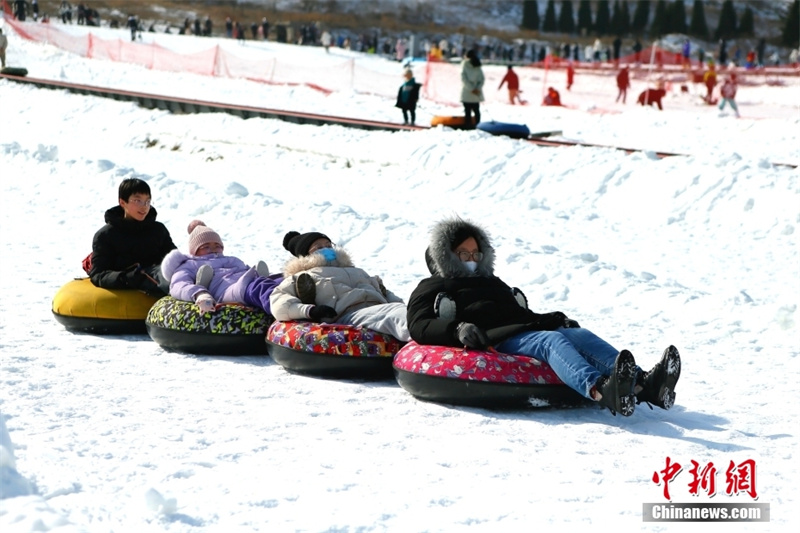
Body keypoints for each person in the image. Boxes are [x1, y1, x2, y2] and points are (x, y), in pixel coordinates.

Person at [406, 216, 682, 416]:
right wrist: (456, 329)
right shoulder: (433, 286)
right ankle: (599, 389)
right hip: (491, 338)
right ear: (447, 256)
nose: (471, 258)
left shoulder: (493, 282)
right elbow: (419, 325)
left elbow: (520, 315)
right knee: (550, 342)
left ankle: (644, 384)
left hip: (518, 330)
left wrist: (554, 319)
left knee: (577, 335)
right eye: (463, 253)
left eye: (475, 253)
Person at [269, 230, 410, 342]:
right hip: (348, 314)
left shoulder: (357, 271)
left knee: (402, 310)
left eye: (328, 245)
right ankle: (424, 336)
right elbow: (279, 303)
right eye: (318, 247)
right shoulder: (303, 276)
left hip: (379, 307)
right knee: (393, 314)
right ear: (305, 255)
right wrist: (310, 311)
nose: (326, 249)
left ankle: (421, 326)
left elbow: (389, 296)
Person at [160, 221, 283, 315]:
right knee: (257, 287)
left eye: (217, 245)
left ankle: (289, 289)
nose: (213, 249)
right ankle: (283, 307)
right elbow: (179, 285)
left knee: (281, 280)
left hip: (246, 280)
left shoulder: (232, 259)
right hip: (228, 289)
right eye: (206, 246)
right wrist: (200, 293)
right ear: (194, 251)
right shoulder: (190, 264)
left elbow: (245, 270)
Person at [89, 178, 176, 297]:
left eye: (147, 202)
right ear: (122, 202)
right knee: (156, 274)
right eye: (137, 201)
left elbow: (173, 256)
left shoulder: (158, 230)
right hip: (138, 279)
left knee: (179, 266)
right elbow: (98, 274)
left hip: (159, 273)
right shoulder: (106, 235)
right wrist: (126, 278)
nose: (144, 207)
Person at [460, 49, 484, 128]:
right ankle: (478, 126)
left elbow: (463, 78)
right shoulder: (478, 64)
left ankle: (468, 126)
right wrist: (477, 88)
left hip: (467, 92)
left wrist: (471, 89)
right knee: (476, 111)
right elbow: (482, 79)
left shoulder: (464, 64)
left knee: (467, 112)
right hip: (476, 93)